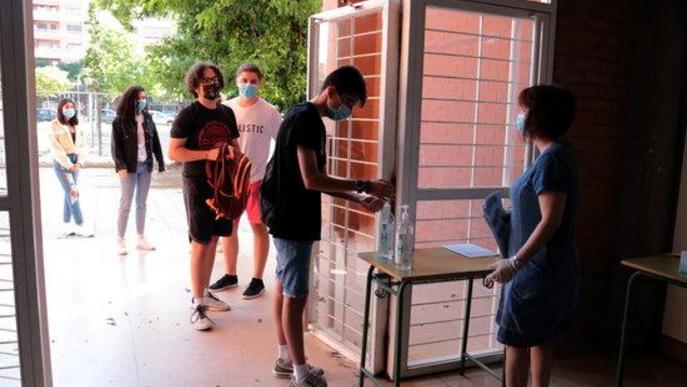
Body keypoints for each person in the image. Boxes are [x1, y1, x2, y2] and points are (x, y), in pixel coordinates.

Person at [261, 65, 394, 387]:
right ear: (330, 90)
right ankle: (300, 372)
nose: (346, 110)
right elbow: (312, 179)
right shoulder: (306, 120)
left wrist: (358, 199)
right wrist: (365, 185)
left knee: (284, 285)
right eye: (346, 101)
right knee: (296, 295)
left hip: (288, 216)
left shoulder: (309, 119)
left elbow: (317, 181)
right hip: (292, 220)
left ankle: (285, 358)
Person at [485, 85, 579, 387]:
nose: (519, 117)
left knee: (516, 342)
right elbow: (540, 213)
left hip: (537, 271)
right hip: (546, 267)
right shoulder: (553, 157)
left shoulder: (551, 161)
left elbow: (551, 220)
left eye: (523, 111)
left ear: (537, 117)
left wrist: (515, 262)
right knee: (541, 337)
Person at [169, 62, 240, 331]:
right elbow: (175, 152)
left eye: (214, 79)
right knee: (200, 241)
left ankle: (205, 291)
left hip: (223, 185)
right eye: (205, 80)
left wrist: (235, 159)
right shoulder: (188, 114)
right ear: (195, 85)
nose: (210, 84)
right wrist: (207, 154)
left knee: (213, 239)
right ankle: (197, 303)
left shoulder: (227, 113)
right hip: (198, 184)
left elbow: (234, 144)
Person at [208, 63, 282, 299]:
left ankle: (257, 279)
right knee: (229, 228)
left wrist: (272, 175)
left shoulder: (269, 112)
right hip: (230, 181)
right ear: (237, 81)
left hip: (258, 180)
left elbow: (282, 145)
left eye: (253, 81)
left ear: (260, 82)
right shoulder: (226, 108)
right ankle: (230, 274)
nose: (248, 85)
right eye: (244, 80)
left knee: (258, 227)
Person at [112, 86, 166, 255]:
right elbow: (116, 147)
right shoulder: (120, 120)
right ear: (131, 100)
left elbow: (155, 141)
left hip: (145, 165)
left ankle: (140, 237)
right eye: (139, 98)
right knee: (125, 203)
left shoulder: (148, 118)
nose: (143, 101)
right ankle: (120, 240)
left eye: (144, 97)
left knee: (142, 203)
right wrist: (120, 166)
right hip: (128, 167)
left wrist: (160, 163)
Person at [50, 98, 91, 237]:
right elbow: (56, 149)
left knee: (69, 192)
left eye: (72, 106)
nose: (70, 109)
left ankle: (66, 225)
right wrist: (69, 164)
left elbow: (83, 146)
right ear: (61, 109)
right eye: (67, 106)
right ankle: (81, 225)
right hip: (63, 164)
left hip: (75, 162)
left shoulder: (77, 126)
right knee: (73, 192)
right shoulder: (54, 125)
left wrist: (79, 163)